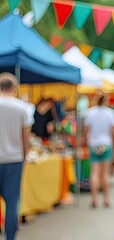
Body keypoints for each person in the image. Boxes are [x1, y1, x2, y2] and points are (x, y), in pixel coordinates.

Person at [0, 73, 33, 240]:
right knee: (12, 203)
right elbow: (25, 137)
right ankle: (10, 237)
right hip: (13, 159)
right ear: (14, 88)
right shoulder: (22, 108)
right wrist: (25, 156)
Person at [84, 94, 114, 208]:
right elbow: (112, 132)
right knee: (105, 173)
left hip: (93, 144)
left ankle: (94, 199)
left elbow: (87, 130)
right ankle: (106, 199)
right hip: (106, 143)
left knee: (94, 172)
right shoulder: (110, 113)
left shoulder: (90, 112)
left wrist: (86, 142)